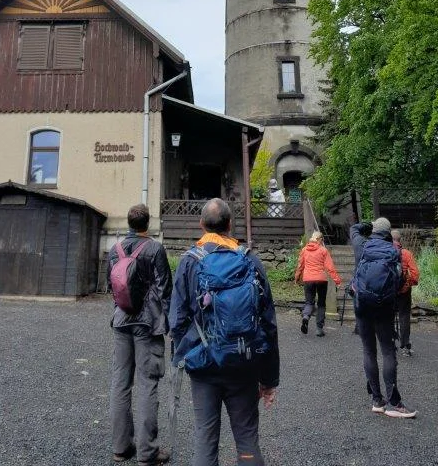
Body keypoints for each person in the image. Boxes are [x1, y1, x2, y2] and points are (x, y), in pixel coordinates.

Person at [169, 198, 279, 466]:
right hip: (244, 362)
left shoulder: (189, 261)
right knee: (247, 439)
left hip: (204, 365)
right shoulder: (250, 260)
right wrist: (268, 379)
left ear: (201, 225)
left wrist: (183, 357)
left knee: (205, 440)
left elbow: (177, 321)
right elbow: (268, 323)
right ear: (231, 224)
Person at [108, 203, 173, 465]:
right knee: (148, 383)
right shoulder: (155, 248)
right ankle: (148, 453)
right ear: (148, 224)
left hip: (121, 320)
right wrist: (169, 324)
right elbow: (164, 288)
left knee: (120, 383)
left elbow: (110, 286)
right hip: (148, 324)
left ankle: (121, 448)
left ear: (129, 223)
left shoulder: (115, 249)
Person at [349, 217, 417, 418]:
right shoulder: (394, 250)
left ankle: (377, 400)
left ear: (373, 230)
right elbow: (400, 279)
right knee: (388, 351)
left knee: (368, 351)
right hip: (384, 307)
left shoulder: (362, 245)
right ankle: (394, 403)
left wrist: (368, 225)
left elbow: (354, 228)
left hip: (362, 305)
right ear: (388, 233)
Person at [295, 230, 342, 337]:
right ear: (319, 239)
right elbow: (330, 268)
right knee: (321, 304)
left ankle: (306, 317)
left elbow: (300, 266)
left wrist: (297, 278)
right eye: (322, 239)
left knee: (309, 302)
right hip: (321, 279)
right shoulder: (323, 250)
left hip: (308, 279)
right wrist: (337, 281)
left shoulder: (304, 250)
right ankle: (319, 329)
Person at [391, 229, 420, 357]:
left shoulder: (384, 252)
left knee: (388, 316)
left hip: (388, 291)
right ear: (400, 240)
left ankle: (390, 344)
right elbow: (414, 274)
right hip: (403, 291)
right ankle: (405, 346)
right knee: (404, 316)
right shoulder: (406, 253)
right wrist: (409, 284)